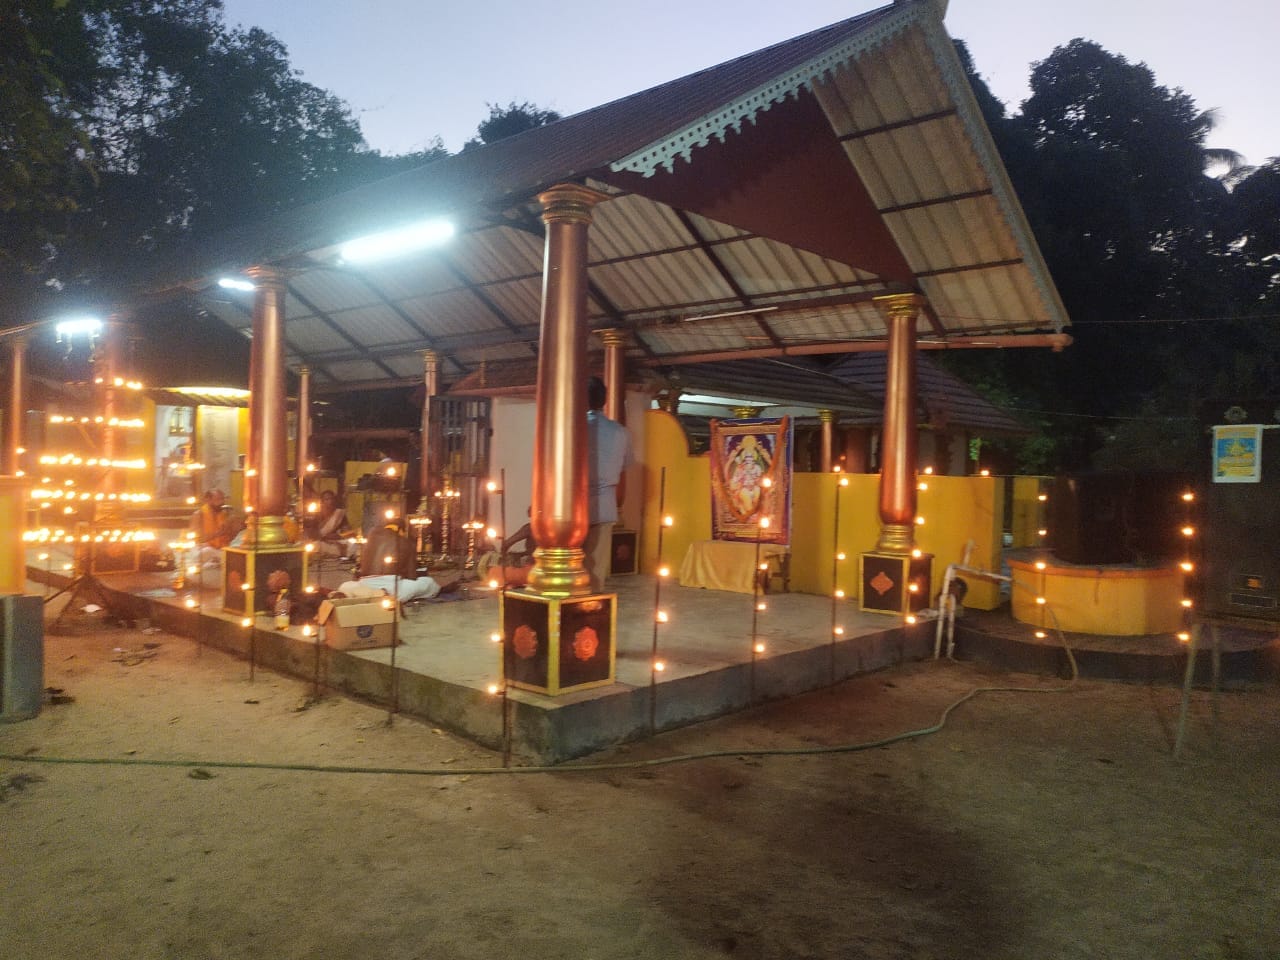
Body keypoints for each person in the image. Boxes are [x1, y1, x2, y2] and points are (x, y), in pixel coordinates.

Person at [336, 517, 456, 608]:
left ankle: (360, 595)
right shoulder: (404, 541)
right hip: (391, 588)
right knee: (428, 583)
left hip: (365, 583)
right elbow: (411, 576)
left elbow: (359, 569)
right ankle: (381, 594)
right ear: (402, 530)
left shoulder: (371, 535)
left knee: (346, 585)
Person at [584, 376, 633, 592]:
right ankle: (588, 614)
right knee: (596, 568)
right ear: (604, 401)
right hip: (606, 504)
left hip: (574, 505)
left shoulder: (575, 427)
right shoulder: (620, 431)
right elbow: (624, 468)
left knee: (569, 566)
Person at [189, 489, 241, 564]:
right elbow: (196, 539)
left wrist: (235, 529)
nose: (222, 502)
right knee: (207, 551)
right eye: (218, 499)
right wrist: (217, 533)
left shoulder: (225, 514)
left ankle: (221, 560)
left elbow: (229, 539)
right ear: (208, 500)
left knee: (238, 550)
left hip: (221, 550)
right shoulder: (199, 515)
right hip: (204, 549)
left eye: (223, 499)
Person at [308, 489, 355, 559]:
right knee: (315, 545)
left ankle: (338, 554)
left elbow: (348, 532)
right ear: (322, 502)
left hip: (338, 542)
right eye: (327, 499)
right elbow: (314, 535)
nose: (330, 501)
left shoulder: (339, 514)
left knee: (353, 545)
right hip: (324, 543)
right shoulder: (317, 516)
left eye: (331, 499)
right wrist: (326, 537)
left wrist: (338, 537)